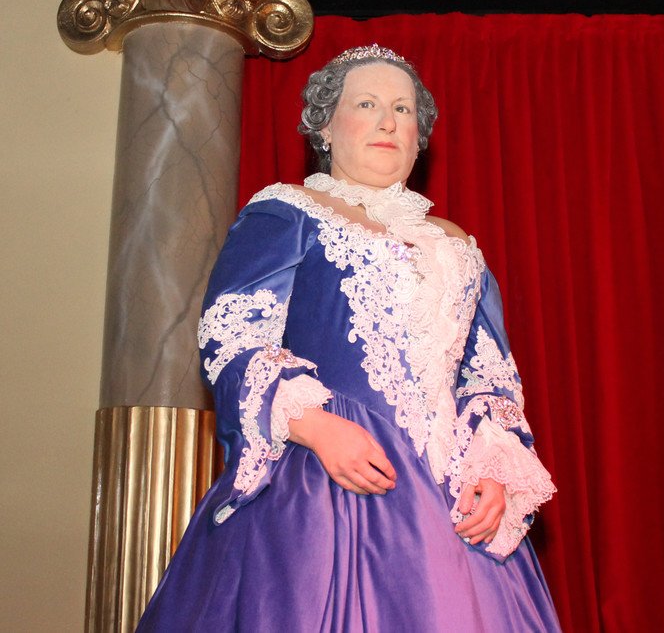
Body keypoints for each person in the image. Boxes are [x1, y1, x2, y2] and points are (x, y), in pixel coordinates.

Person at [136, 44, 560, 631]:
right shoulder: (287, 212)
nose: (388, 121)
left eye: (403, 109)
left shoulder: (458, 245)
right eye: (367, 104)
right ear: (325, 127)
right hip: (326, 484)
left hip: (454, 501)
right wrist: (316, 426)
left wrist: (494, 470)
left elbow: (488, 373)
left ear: (419, 137)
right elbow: (232, 333)